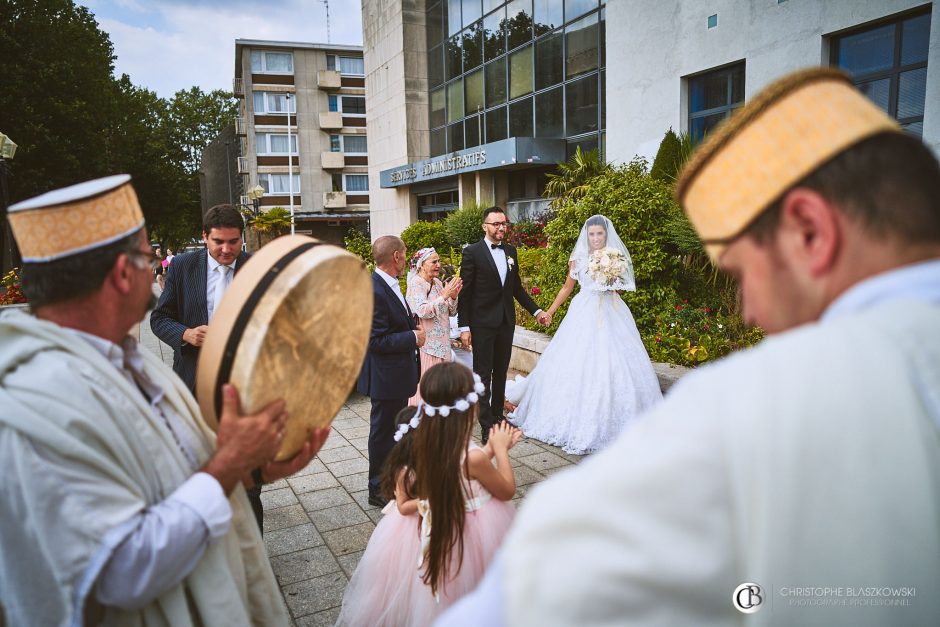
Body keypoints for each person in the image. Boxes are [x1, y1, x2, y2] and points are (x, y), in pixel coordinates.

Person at [438, 68, 940, 626]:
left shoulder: (743, 404)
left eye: (744, 271)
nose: (749, 310)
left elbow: (532, 595)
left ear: (811, 231)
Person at [0, 175, 329, 626]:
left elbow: (166, 478)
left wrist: (252, 471)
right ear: (121, 273)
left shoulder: (124, 361)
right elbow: (122, 571)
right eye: (147, 255)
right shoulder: (40, 402)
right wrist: (230, 463)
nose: (155, 263)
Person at [339, 362, 520, 626]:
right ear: (470, 411)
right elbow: (506, 490)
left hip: (429, 534)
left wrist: (489, 450)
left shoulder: (423, 443)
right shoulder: (472, 457)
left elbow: (462, 473)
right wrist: (500, 449)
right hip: (470, 535)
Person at [505, 214, 662, 454]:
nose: (596, 238)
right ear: (587, 236)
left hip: (612, 310)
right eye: (592, 234)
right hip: (584, 310)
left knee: (615, 361)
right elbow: (567, 287)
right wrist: (549, 311)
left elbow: (619, 287)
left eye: (600, 234)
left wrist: (610, 276)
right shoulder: (577, 259)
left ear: (605, 235)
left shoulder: (614, 256)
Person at [457, 207, 549, 443]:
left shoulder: (511, 251)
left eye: (504, 224)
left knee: (501, 372)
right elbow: (465, 294)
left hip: (506, 322)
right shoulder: (472, 253)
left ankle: (498, 415)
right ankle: (486, 423)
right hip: (481, 324)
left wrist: (536, 311)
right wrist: (464, 327)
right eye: (496, 224)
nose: (501, 228)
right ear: (484, 226)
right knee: (482, 374)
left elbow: (516, 288)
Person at [151, 204, 251, 392]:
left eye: (233, 241)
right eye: (218, 241)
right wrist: (186, 334)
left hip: (245, 380)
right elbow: (159, 319)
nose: (226, 249)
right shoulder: (182, 266)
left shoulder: (259, 266)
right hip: (194, 378)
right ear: (205, 236)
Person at [358, 235, 424, 508]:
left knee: (395, 430)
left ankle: (395, 480)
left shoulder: (389, 285)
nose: (407, 257)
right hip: (385, 376)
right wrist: (412, 337)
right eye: (405, 252)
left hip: (397, 374)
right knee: (383, 432)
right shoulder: (374, 290)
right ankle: (377, 488)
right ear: (396, 256)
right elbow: (374, 341)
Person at [406, 246, 463, 404]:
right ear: (422, 264)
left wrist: (452, 297)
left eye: (439, 261)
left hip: (443, 345)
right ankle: (422, 424)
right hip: (427, 347)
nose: (438, 264)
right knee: (427, 388)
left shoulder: (437, 282)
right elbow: (424, 311)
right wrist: (443, 296)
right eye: (434, 261)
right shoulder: (416, 284)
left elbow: (450, 312)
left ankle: (438, 424)